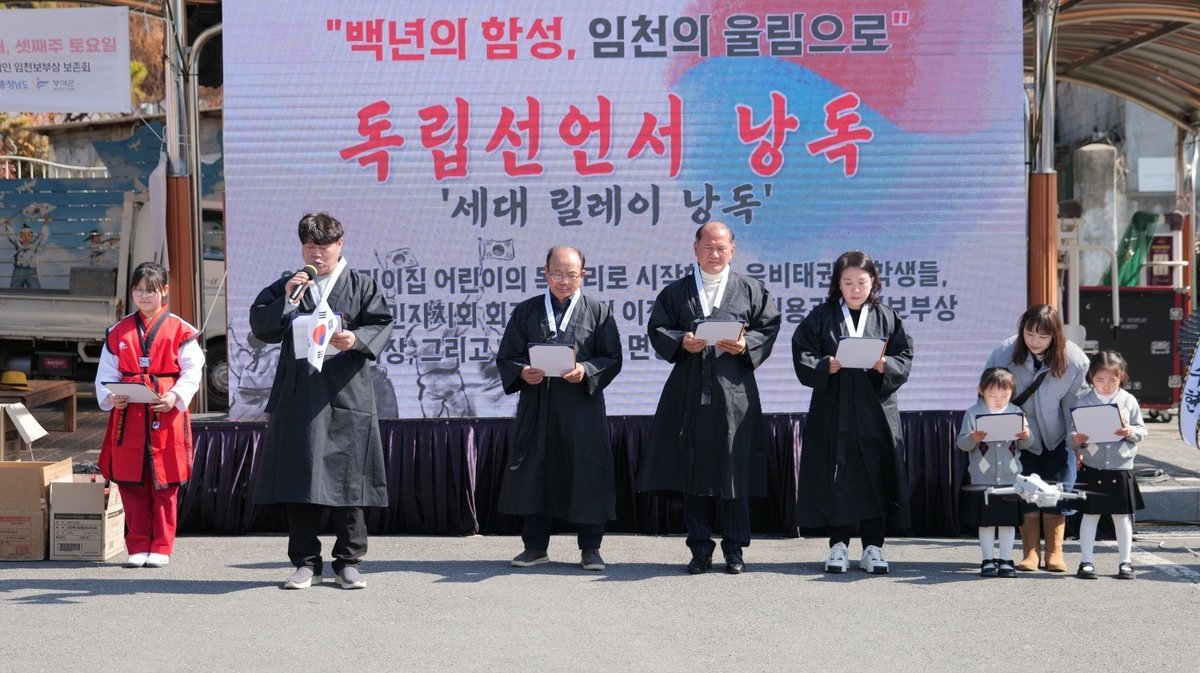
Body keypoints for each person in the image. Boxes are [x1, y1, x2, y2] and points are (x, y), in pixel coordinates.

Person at [249, 212, 394, 590]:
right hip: (299, 396)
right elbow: (262, 326)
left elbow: (382, 324)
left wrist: (355, 339)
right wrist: (286, 298)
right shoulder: (291, 284)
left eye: (324, 247)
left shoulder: (361, 284)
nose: (316, 255)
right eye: (310, 247)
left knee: (350, 481)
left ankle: (349, 561)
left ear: (339, 245)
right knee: (301, 481)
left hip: (346, 394)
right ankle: (306, 562)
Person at [637, 221, 781, 575]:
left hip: (734, 393)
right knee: (694, 469)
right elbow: (658, 328)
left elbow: (768, 326)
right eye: (708, 247)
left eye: (721, 247)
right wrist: (681, 342)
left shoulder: (751, 290)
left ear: (732, 250)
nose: (714, 254)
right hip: (689, 391)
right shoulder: (676, 292)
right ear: (695, 248)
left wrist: (746, 344)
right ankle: (700, 548)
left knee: (734, 468)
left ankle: (735, 549)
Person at [496, 246, 623, 571]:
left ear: (583, 275)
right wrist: (523, 371)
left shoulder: (598, 312)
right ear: (545, 273)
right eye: (557, 274)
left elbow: (612, 358)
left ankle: (591, 548)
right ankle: (535, 546)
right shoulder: (527, 311)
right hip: (538, 404)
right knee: (536, 469)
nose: (564, 280)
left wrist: (586, 370)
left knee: (588, 471)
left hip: (582, 406)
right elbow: (507, 356)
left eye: (571, 274)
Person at [792, 250, 914, 575]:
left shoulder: (887, 317)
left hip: (876, 411)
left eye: (861, 281)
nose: (855, 289)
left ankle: (874, 546)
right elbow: (802, 351)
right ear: (838, 284)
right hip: (835, 409)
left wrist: (886, 364)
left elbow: (904, 354)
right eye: (848, 282)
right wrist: (825, 365)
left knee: (877, 473)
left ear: (873, 281)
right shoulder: (822, 316)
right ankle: (839, 545)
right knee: (838, 473)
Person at [95, 261, 204, 569]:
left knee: (165, 483)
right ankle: (138, 544)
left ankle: (162, 546)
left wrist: (174, 396)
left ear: (164, 290)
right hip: (128, 415)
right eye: (138, 290)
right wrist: (111, 396)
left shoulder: (181, 329)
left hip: (165, 414)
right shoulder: (118, 331)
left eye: (150, 290)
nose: (144, 296)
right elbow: (106, 373)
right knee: (131, 483)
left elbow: (193, 371)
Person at [985, 304, 1090, 573]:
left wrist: (1076, 443)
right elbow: (989, 394)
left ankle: (1055, 552)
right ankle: (1030, 552)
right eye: (1029, 333)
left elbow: (1073, 405)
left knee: (1058, 491)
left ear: (1055, 335)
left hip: (1058, 436)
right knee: (1026, 492)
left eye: (1043, 336)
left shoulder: (1074, 360)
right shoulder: (1004, 353)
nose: (1035, 341)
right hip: (1019, 436)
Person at [1069, 350, 1146, 580]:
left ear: (1122, 377)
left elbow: (1142, 431)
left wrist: (1129, 431)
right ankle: (1086, 562)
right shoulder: (1084, 400)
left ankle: (1125, 562)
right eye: (1100, 380)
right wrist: (1076, 439)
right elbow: (1071, 433)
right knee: (1089, 515)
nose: (1106, 385)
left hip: (1121, 467)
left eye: (1113, 380)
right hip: (1092, 466)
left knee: (1122, 516)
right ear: (1091, 378)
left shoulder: (1128, 400)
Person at [956, 368, 1032, 578]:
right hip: (983, 478)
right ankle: (987, 560)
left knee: (1008, 522)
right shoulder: (973, 412)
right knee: (986, 522)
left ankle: (1006, 560)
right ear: (981, 391)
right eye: (992, 395)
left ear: (1012, 392)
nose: (998, 400)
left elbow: (1028, 444)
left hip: (1010, 478)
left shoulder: (1016, 412)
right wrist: (973, 438)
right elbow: (961, 444)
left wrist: (1025, 435)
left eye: (1004, 396)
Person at [4, 215, 50, 288]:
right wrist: (8, 225)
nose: (26, 237)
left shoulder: (34, 244)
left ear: (31, 236)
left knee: (35, 289)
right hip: (19, 270)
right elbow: (11, 235)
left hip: (31, 271)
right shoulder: (18, 243)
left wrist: (46, 224)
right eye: (24, 235)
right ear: (20, 236)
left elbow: (42, 237)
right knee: (15, 289)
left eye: (29, 235)